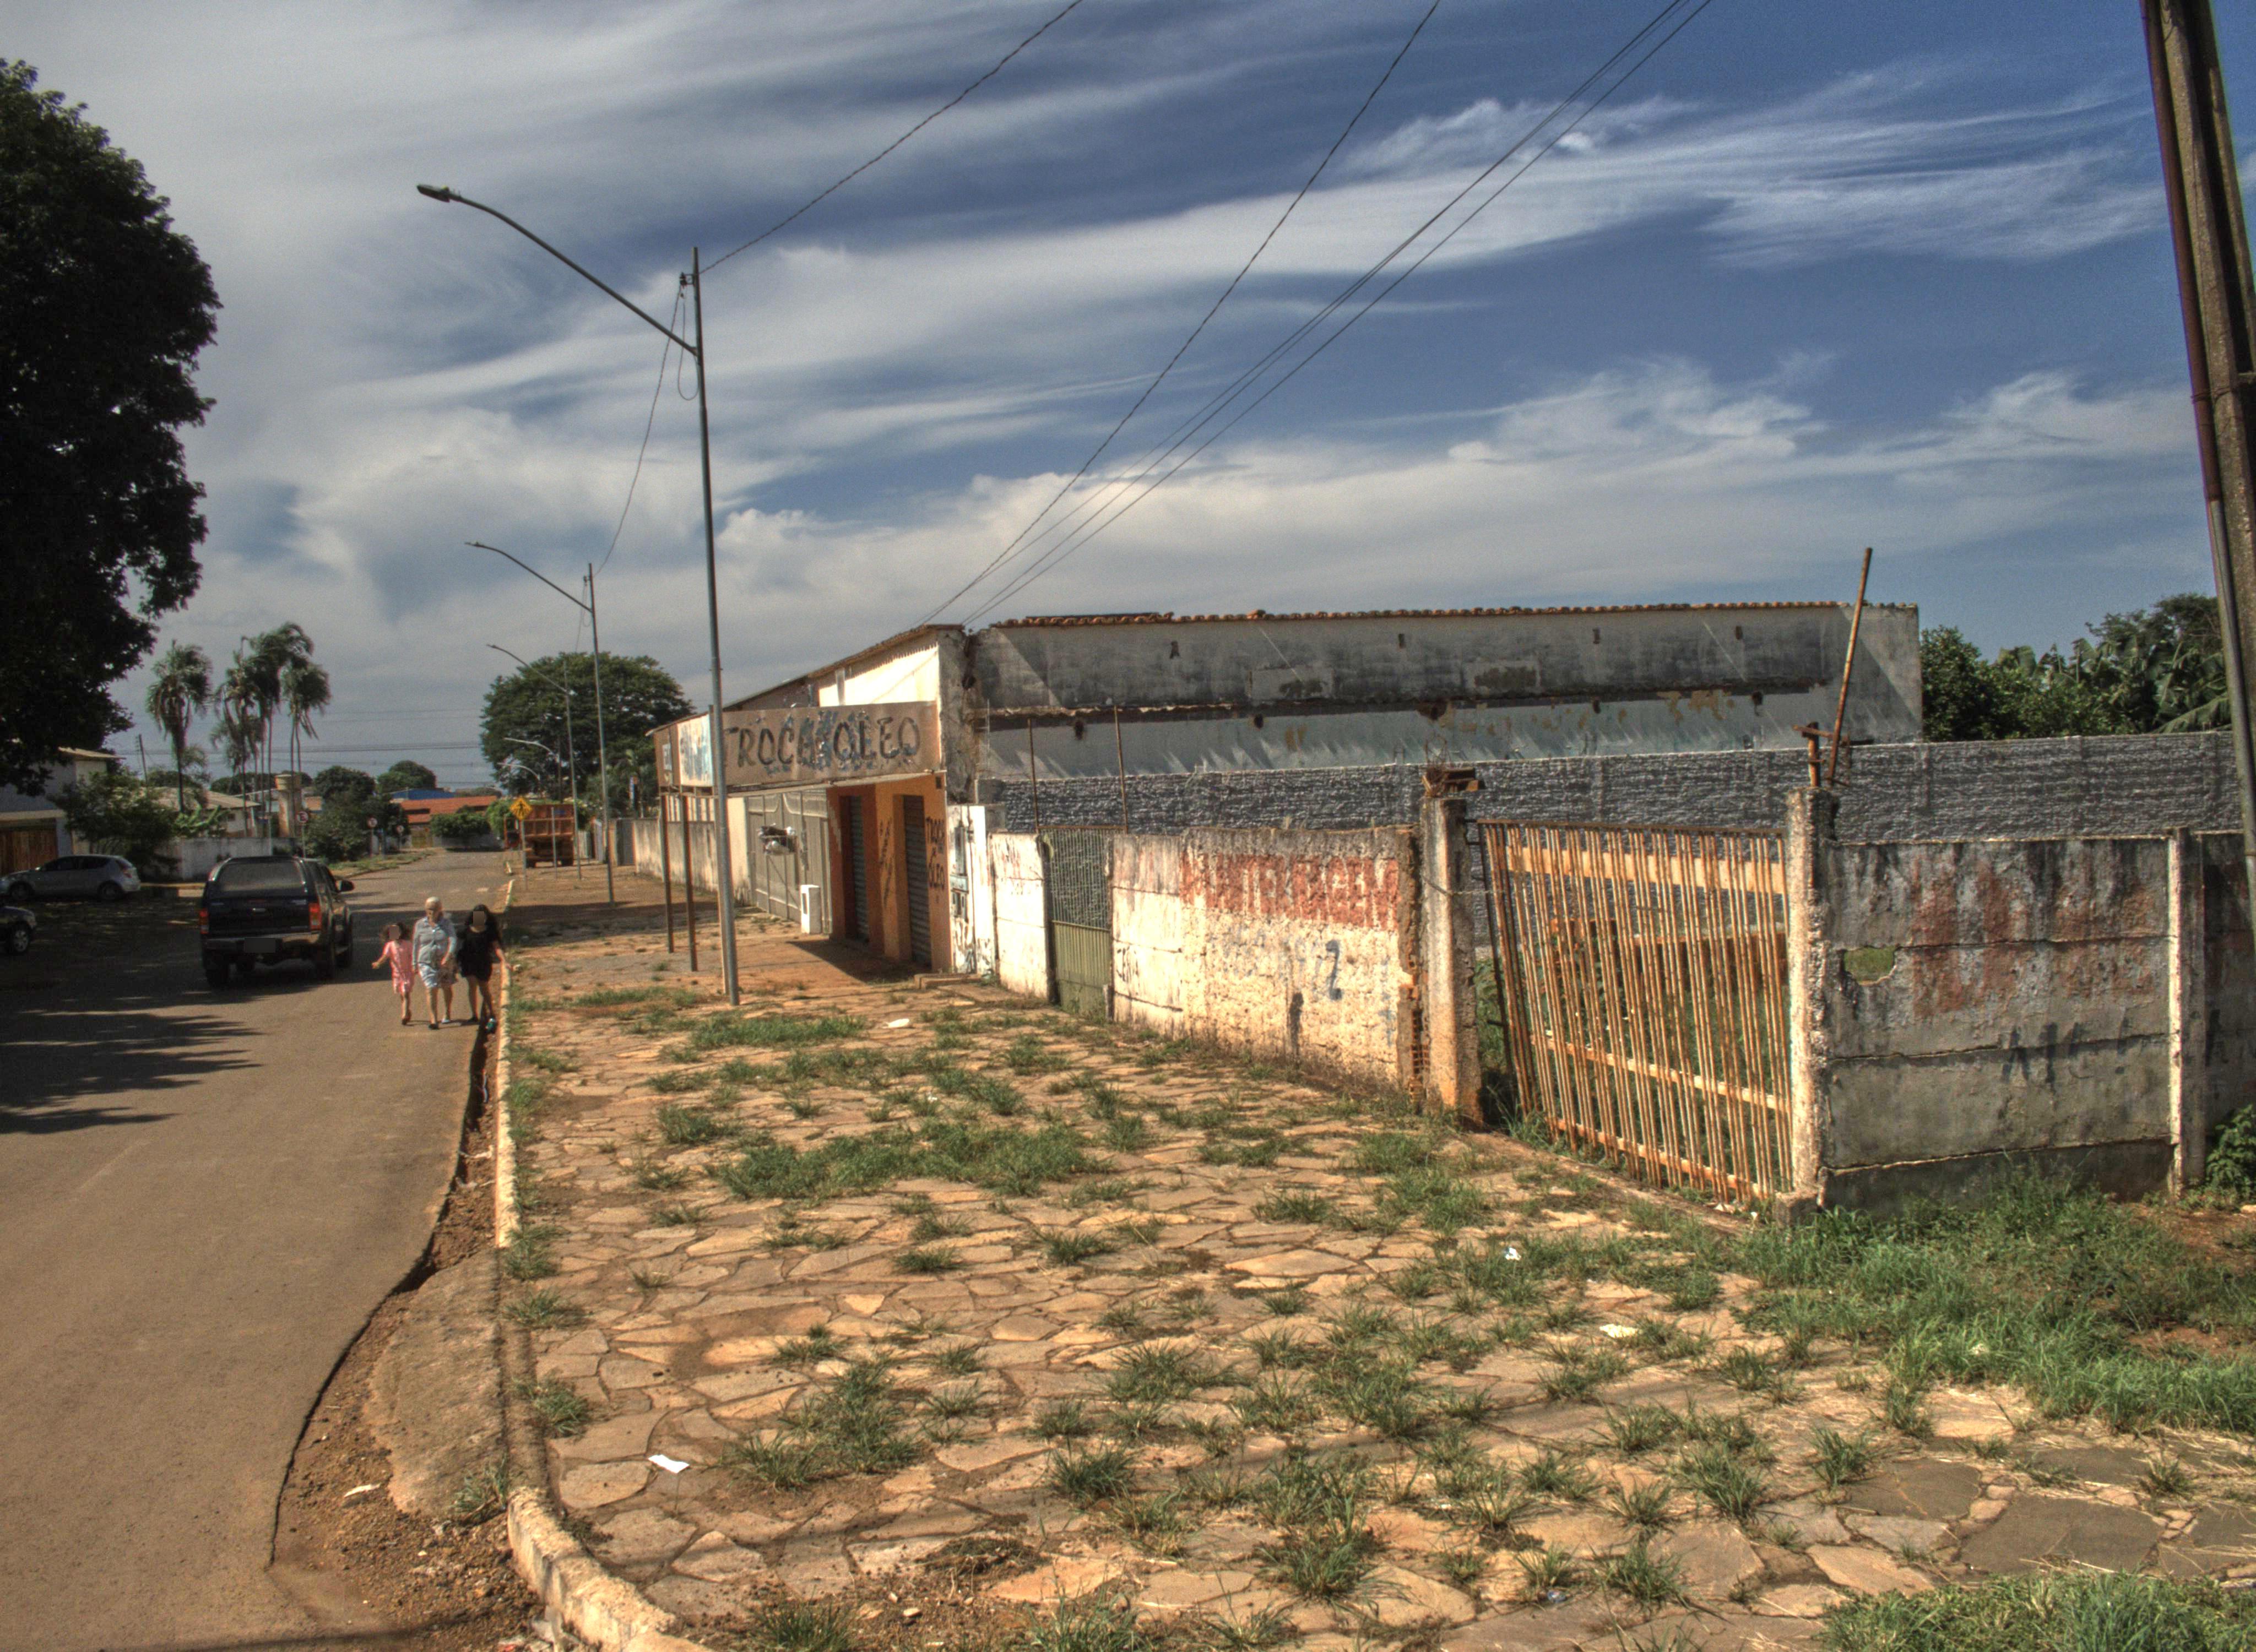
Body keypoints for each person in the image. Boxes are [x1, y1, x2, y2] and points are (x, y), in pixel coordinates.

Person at [455, 903, 506, 1032]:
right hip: (468, 962)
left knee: (484, 988)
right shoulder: (465, 931)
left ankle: (491, 1012)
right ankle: (474, 1015)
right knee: (472, 985)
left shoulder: (490, 932)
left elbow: (497, 947)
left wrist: (504, 961)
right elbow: (457, 945)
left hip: (483, 963)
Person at [411, 897, 458, 1028]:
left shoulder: (446, 924)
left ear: (440, 909)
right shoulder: (420, 924)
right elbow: (416, 944)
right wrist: (414, 963)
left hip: (444, 962)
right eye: (428, 909)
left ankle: (447, 1012)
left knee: (446, 987)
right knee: (431, 988)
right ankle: (434, 1020)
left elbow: (453, 940)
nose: (431, 912)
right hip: (426, 962)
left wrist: (448, 956)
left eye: (434, 909)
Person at [372, 922, 415, 1025]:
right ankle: (407, 1010)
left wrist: (415, 966)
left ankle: (404, 1015)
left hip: (407, 973)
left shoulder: (408, 944)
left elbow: (413, 956)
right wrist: (378, 963)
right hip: (397, 975)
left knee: (406, 993)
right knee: (402, 994)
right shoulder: (390, 946)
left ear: (401, 933)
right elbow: (385, 957)